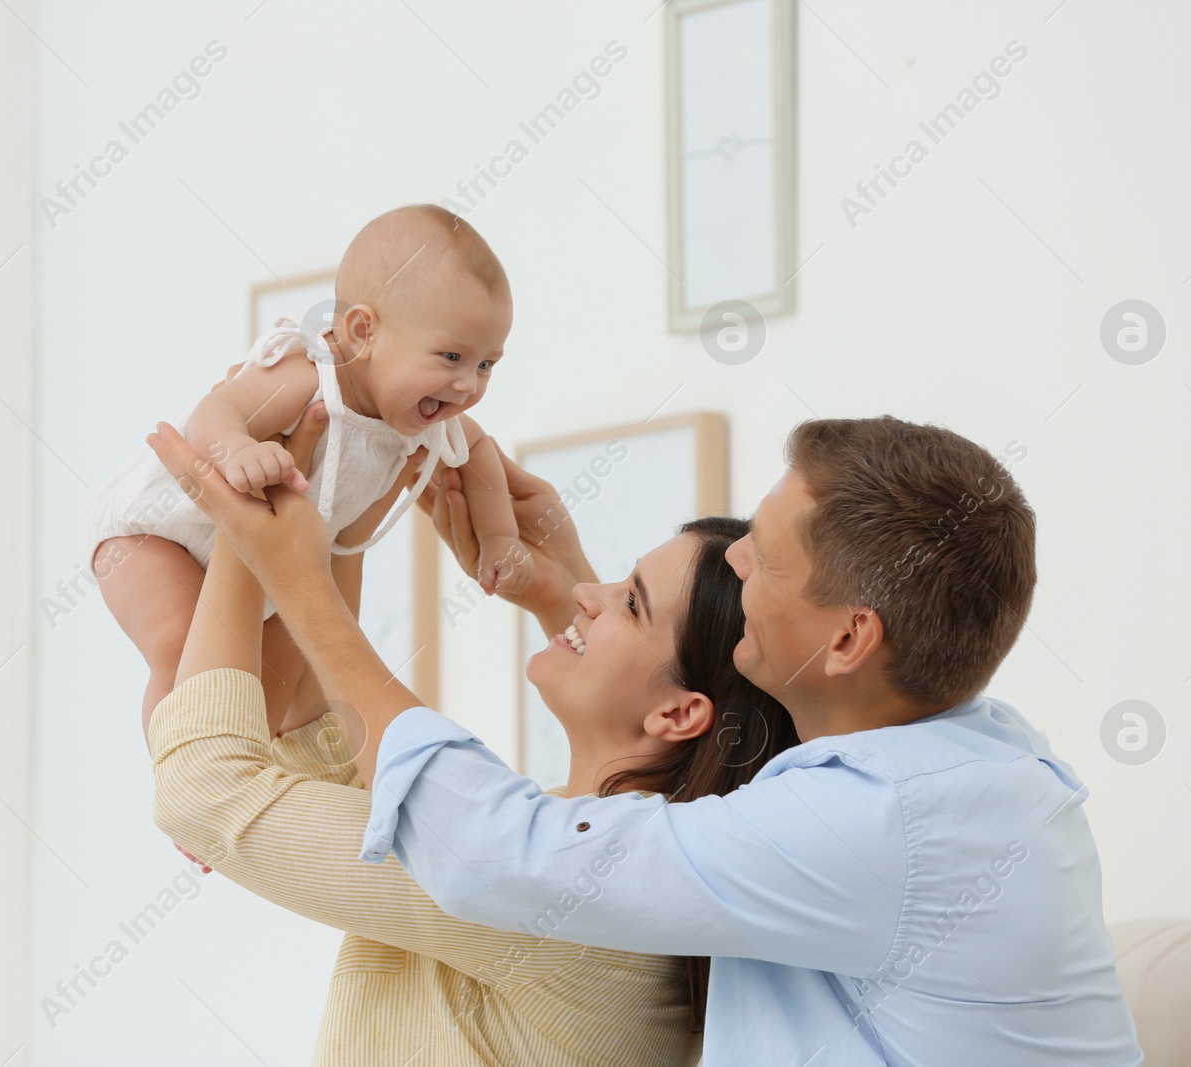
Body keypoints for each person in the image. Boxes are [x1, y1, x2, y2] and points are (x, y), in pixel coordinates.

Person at [145, 413, 1145, 1066]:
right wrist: (579, 598)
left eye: (763, 555)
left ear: (848, 637)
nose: (739, 554)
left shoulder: (881, 821)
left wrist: (287, 564)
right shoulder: (958, 752)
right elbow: (669, 764)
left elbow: (513, 854)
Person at [145, 404, 799, 1065]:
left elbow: (207, 788)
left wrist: (249, 532)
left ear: (680, 716)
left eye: (630, 600)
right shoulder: (622, 879)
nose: (586, 594)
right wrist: (347, 500)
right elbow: (337, 760)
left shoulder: (581, 900)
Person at [88, 204, 527, 736]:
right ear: (363, 332)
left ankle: (248, 769)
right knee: (181, 648)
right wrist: (236, 450)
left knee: (261, 693)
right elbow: (216, 410)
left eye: (487, 364)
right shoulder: (313, 376)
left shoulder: (429, 425)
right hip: (159, 534)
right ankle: (182, 763)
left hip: (270, 566)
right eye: (451, 357)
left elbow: (481, 457)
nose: (469, 386)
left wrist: (500, 535)